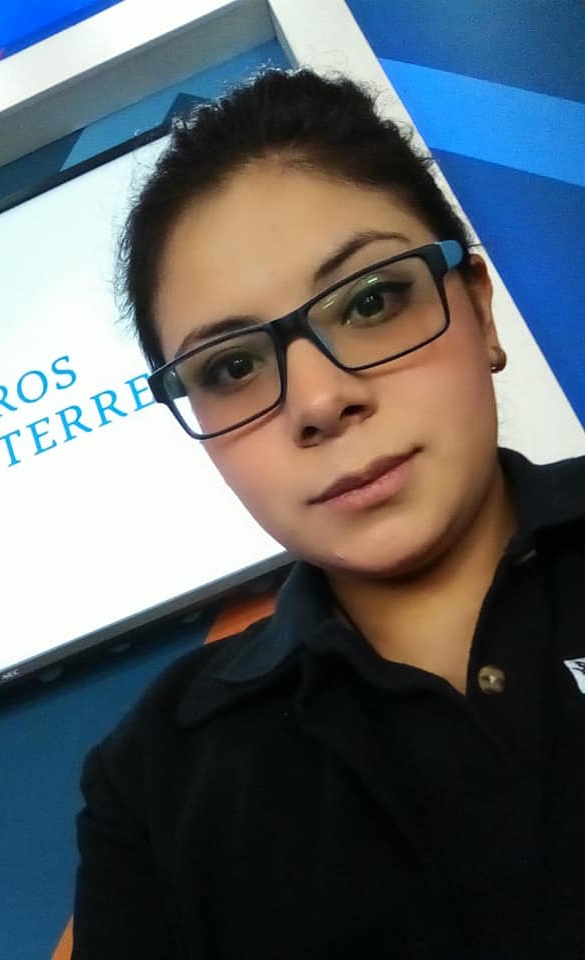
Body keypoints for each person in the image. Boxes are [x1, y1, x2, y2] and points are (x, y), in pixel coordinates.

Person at [72, 69, 585, 959]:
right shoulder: (157, 777)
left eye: (371, 300)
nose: (319, 400)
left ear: (478, 308)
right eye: (232, 367)